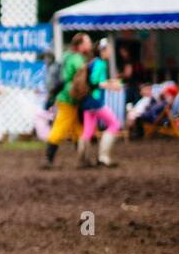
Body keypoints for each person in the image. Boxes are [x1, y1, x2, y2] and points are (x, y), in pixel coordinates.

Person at [43, 32, 91, 168]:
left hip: (66, 97)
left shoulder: (66, 55)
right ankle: (48, 158)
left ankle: (83, 158)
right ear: (80, 45)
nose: (89, 45)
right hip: (69, 98)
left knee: (78, 129)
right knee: (60, 127)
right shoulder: (77, 59)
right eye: (87, 43)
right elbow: (82, 79)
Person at [78, 38, 121, 168]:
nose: (110, 52)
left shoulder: (94, 62)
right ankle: (103, 157)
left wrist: (109, 83)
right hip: (95, 101)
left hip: (87, 101)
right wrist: (110, 86)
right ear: (102, 50)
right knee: (114, 124)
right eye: (108, 49)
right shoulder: (100, 63)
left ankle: (83, 160)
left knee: (88, 131)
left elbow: (95, 80)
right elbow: (94, 82)